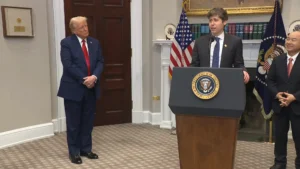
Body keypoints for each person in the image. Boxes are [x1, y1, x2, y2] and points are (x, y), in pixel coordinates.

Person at [57, 16, 104, 164]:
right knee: (73, 122)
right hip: (73, 88)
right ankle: (74, 152)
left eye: (86, 25)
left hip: (91, 87)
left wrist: (94, 77)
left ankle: (86, 149)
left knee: (88, 121)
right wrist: (85, 79)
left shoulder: (94, 43)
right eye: (82, 27)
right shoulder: (66, 43)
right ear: (74, 30)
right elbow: (68, 65)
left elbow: (100, 61)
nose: (86, 29)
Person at [267, 31, 300, 169]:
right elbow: (270, 80)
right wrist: (277, 94)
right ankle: (280, 163)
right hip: (280, 106)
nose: (289, 42)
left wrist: (295, 97)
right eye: (288, 39)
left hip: (298, 106)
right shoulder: (278, 60)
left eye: (294, 40)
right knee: (280, 137)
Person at [190, 7, 249, 83]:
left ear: (224, 22)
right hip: (205, 83)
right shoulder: (199, 42)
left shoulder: (235, 41)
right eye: (210, 20)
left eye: (216, 20)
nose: (212, 23)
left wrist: (243, 71)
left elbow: (239, 64)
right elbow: (194, 65)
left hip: (226, 82)